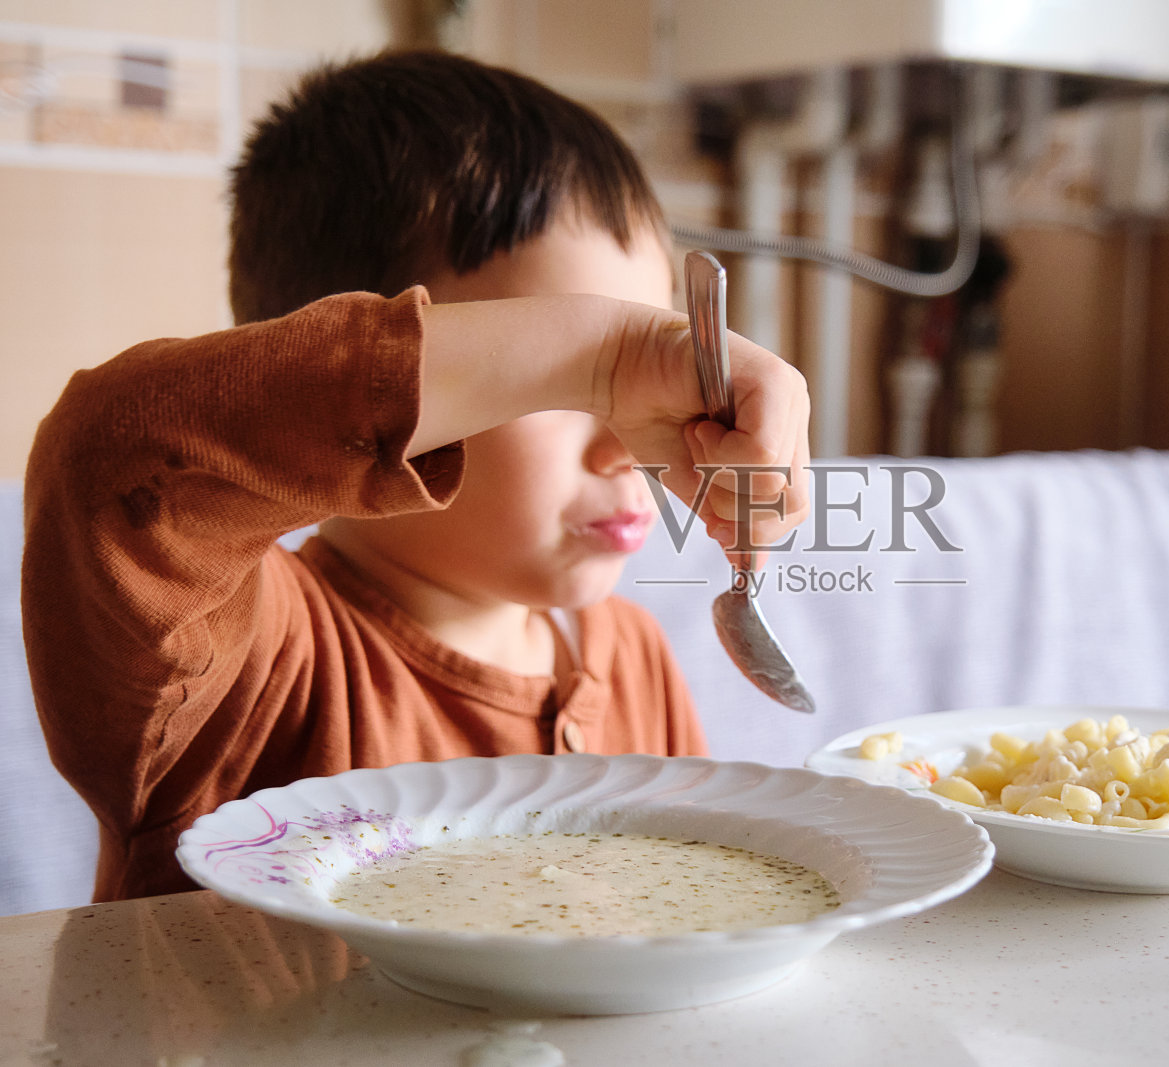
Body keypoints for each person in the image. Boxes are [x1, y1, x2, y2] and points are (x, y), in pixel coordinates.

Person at [20, 51, 810, 903]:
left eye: (647, 383)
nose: (630, 447)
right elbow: (111, 454)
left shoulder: (632, 658)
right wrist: (610, 355)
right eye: (563, 384)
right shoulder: (245, 667)